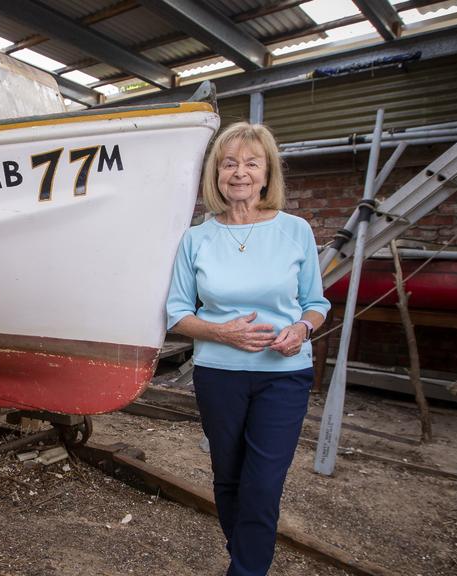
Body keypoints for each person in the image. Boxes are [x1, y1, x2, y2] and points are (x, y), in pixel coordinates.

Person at [165, 122, 330, 576]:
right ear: (216, 175)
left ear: (266, 173)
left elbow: (316, 303)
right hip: (219, 374)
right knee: (229, 477)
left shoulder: (295, 230)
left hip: (285, 374)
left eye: (251, 163)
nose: (240, 172)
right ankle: (246, 557)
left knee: (262, 484)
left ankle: (245, 570)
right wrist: (223, 333)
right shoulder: (196, 238)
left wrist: (300, 328)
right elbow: (177, 313)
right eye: (229, 163)